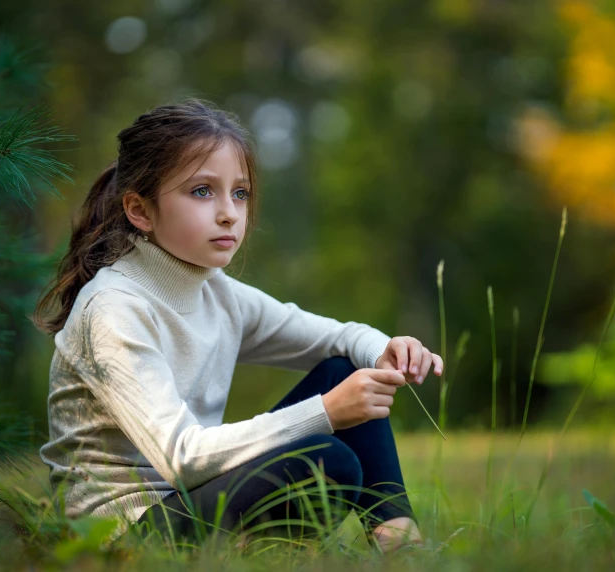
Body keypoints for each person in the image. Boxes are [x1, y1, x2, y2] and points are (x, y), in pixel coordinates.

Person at [32, 98, 443, 554]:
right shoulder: (112, 309)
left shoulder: (215, 292)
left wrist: (385, 349)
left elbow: (337, 338)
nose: (229, 212)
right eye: (202, 191)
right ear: (141, 211)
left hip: (192, 501)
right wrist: (325, 412)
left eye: (240, 192)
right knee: (325, 460)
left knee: (344, 369)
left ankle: (400, 543)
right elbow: (182, 457)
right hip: (121, 539)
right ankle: (250, 550)